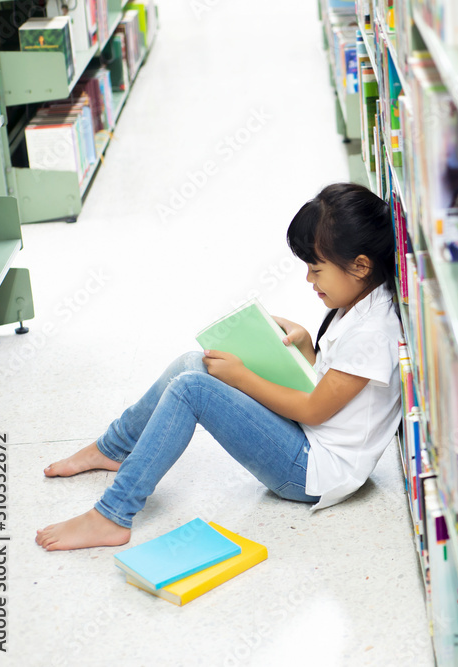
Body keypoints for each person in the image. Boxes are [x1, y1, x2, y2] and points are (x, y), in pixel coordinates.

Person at [36, 183, 402, 551]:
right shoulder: (360, 297)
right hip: (309, 438)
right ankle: (113, 447)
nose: (309, 279)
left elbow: (315, 409)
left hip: (312, 472)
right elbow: (332, 389)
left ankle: (111, 515)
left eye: (316, 269)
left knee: (191, 389)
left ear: (360, 265)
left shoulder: (373, 333)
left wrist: (243, 377)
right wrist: (306, 345)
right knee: (194, 364)